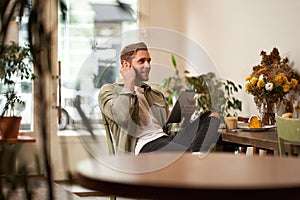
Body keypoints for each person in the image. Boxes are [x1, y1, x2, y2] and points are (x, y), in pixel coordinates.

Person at [98, 42, 220, 154]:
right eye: (141, 61)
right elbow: (122, 116)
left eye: (149, 61)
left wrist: (185, 119)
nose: (148, 65)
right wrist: (128, 81)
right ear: (126, 65)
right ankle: (192, 157)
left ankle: (193, 156)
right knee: (185, 150)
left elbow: (169, 129)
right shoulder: (109, 91)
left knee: (212, 116)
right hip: (144, 147)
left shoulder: (155, 95)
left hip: (165, 140)